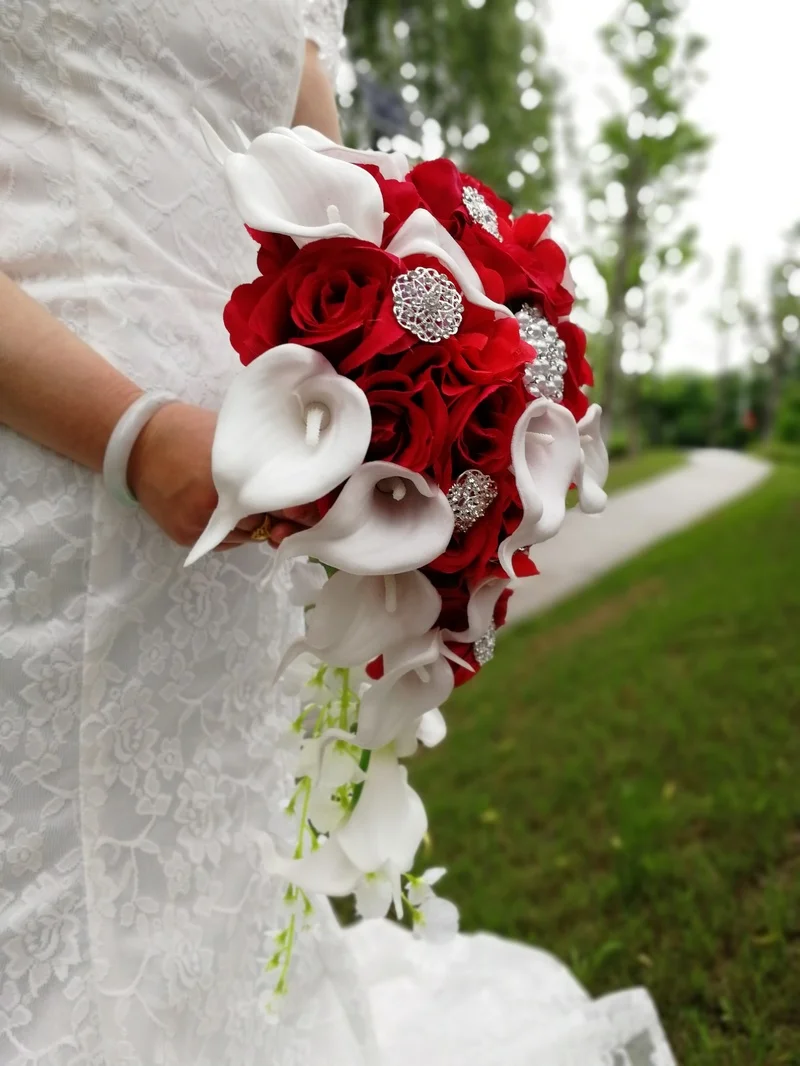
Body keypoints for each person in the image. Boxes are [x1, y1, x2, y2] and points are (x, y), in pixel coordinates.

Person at [0, 3, 675, 1063]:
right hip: (47, 479)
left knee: (220, 884)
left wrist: (467, 413)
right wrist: (131, 435)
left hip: (264, 508)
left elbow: (344, 189)